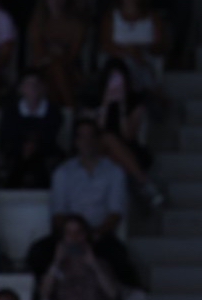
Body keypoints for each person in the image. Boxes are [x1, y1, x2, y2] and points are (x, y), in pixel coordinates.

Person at [46, 119, 141, 289]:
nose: (87, 142)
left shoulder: (114, 171)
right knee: (39, 253)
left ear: (98, 140)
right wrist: (71, 235)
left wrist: (95, 233)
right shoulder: (62, 172)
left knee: (118, 257)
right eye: (82, 137)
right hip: (69, 235)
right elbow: (58, 212)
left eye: (91, 137)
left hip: (99, 234)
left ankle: (129, 298)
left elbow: (115, 212)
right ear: (76, 141)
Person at [85, 61, 166, 209]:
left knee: (112, 145)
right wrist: (105, 104)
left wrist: (121, 107)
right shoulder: (94, 100)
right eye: (112, 79)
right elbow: (94, 131)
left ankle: (137, 186)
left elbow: (128, 135)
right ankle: (144, 183)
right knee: (107, 138)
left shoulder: (135, 102)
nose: (115, 84)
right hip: (98, 148)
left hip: (125, 148)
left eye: (119, 79)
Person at [37, 215, 119, 300]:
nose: (74, 238)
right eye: (69, 233)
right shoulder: (57, 267)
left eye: (78, 232)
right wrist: (56, 262)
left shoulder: (100, 264)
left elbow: (113, 293)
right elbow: (44, 294)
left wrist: (94, 265)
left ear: (85, 235)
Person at [98, 0, 169, 97]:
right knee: (121, 68)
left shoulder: (153, 18)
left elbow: (160, 45)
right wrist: (128, 52)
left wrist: (141, 51)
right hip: (120, 62)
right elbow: (106, 44)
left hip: (145, 61)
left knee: (139, 68)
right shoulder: (110, 17)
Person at [0, 72, 66, 190]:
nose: (33, 88)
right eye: (29, 84)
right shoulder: (10, 110)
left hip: (45, 150)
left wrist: (34, 145)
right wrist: (22, 146)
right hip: (17, 150)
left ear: (43, 88)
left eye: (36, 84)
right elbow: (8, 134)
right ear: (21, 89)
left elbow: (51, 134)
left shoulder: (53, 110)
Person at [27, 0, 87, 110]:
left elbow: (72, 56)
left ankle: (63, 112)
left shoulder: (76, 25)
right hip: (42, 68)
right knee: (53, 71)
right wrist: (57, 54)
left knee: (57, 70)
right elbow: (39, 54)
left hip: (70, 69)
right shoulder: (37, 23)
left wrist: (54, 56)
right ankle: (70, 109)